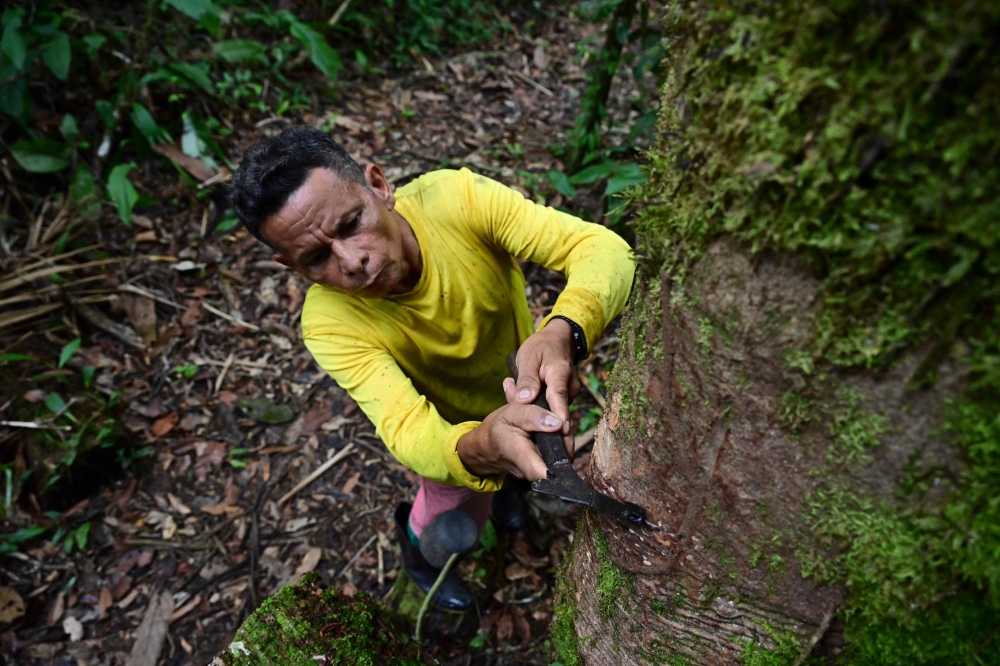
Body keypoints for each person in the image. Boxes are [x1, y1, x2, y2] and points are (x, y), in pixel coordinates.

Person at [229, 126, 634, 610]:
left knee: (520, 471)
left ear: (379, 186)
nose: (352, 262)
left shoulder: (456, 200)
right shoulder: (330, 322)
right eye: (316, 258)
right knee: (450, 513)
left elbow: (603, 250)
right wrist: (478, 446)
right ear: (289, 266)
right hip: (452, 437)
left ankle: (511, 498)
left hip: (517, 393)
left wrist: (561, 331)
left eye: (352, 223)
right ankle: (420, 558)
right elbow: (407, 427)